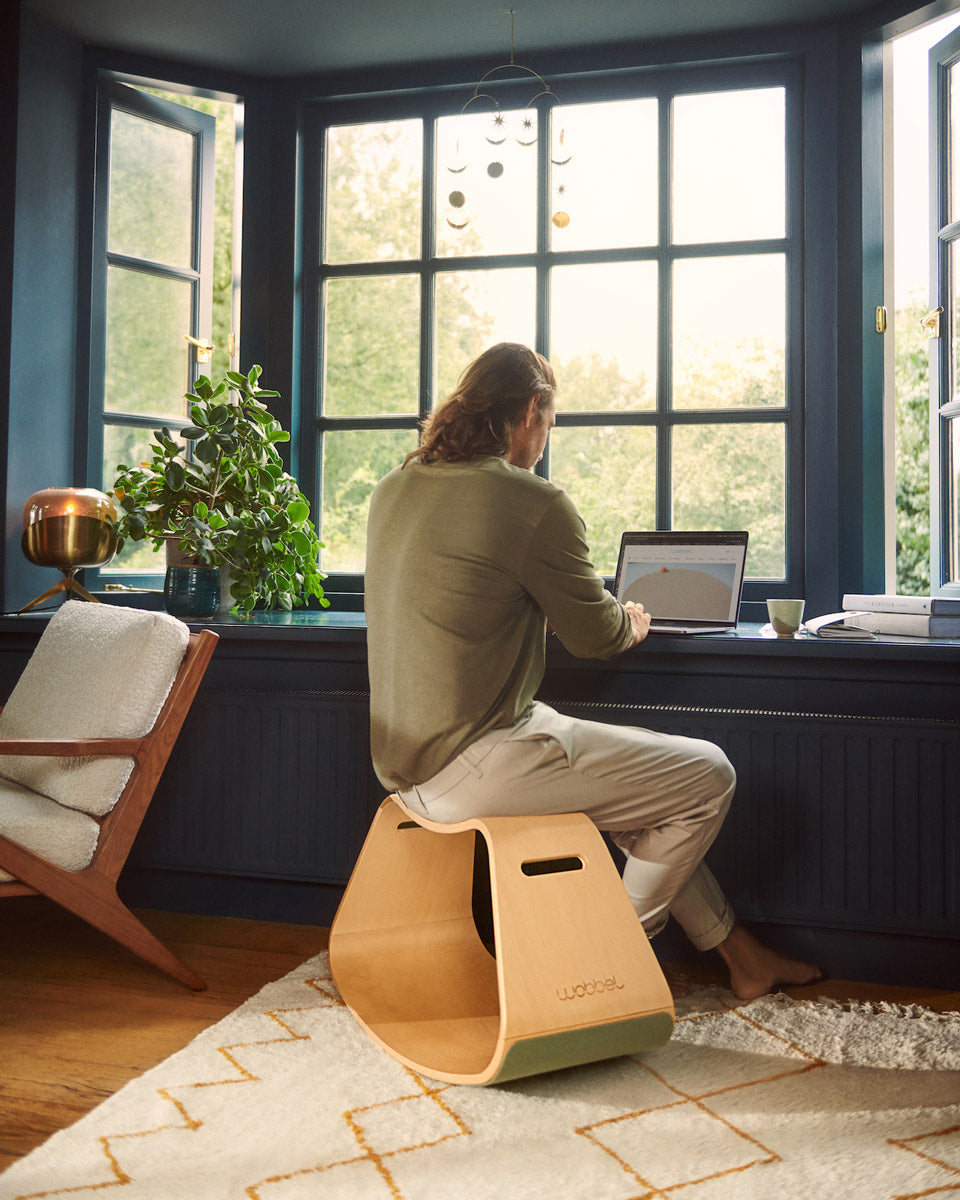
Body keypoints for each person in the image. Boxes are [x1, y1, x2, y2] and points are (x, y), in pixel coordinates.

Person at [364, 342, 820, 1001]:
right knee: (706, 777)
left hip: (404, 769)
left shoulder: (392, 489)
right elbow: (598, 636)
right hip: (480, 758)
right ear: (529, 412)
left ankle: (743, 959)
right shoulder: (531, 501)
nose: (544, 440)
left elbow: (453, 599)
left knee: (645, 809)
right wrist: (630, 619)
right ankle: (595, 974)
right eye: (548, 424)